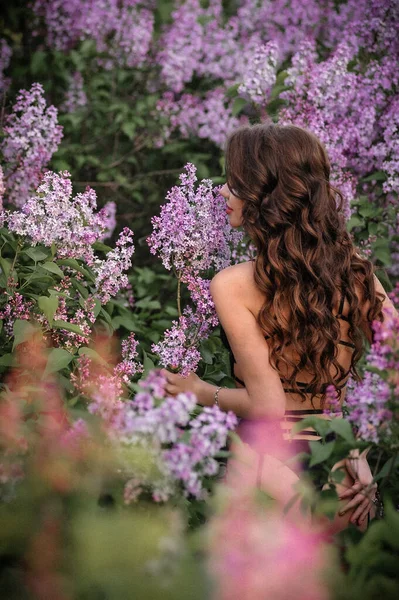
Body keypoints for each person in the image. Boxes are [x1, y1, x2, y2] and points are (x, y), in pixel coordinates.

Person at [163, 123, 395, 530]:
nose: (222, 191)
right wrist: (359, 451)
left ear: (264, 194)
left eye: (235, 182)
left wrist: (200, 391)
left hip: (270, 467)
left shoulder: (233, 285)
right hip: (344, 473)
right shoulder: (358, 273)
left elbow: (269, 406)